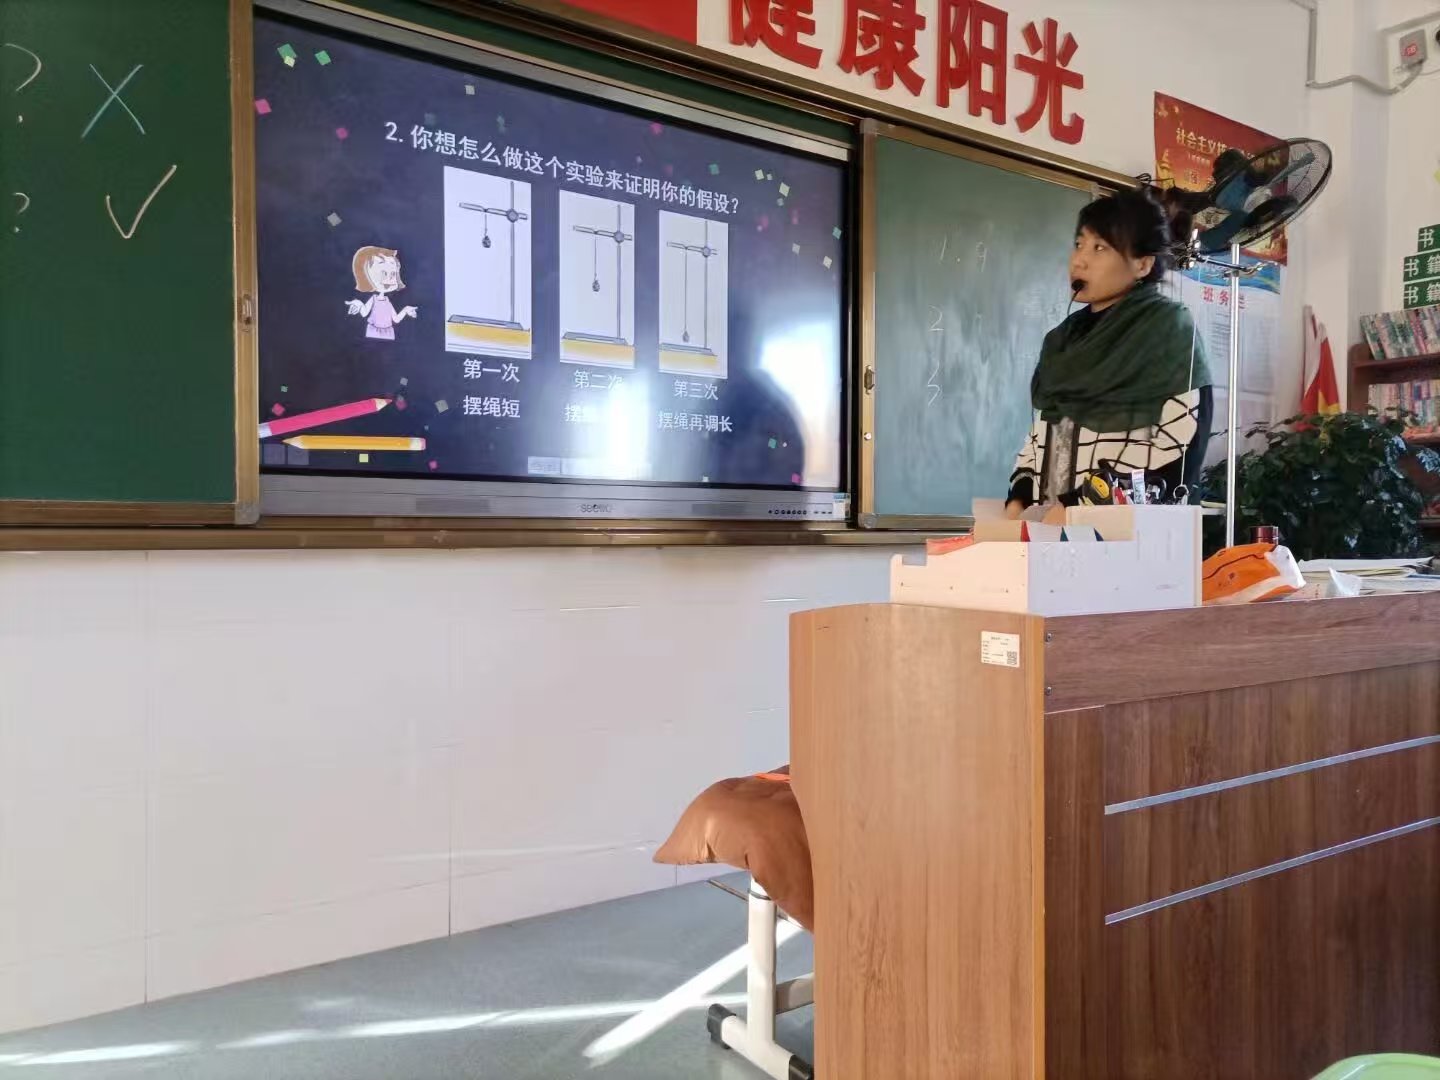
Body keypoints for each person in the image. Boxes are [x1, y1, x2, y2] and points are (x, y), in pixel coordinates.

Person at [1006, 186, 1213, 516]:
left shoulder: (1168, 331)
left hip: (1130, 535)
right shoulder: (1062, 340)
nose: (1079, 260)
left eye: (1099, 247)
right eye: (1079, 244)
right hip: (1052, 530)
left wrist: (1079, 504)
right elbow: (1044, 432)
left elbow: (1179, 450)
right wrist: (1020, 493)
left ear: (1142, 264)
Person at [345, 245, 418, 341]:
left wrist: (405, 310)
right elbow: (364, 313)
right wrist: (359, 304)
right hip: (372, 333)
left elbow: (396, 319)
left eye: (393, 274)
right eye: (383, 274)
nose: (390, 279)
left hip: (388, 333)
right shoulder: (374, 299)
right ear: (365, 276)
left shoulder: (387, 301)